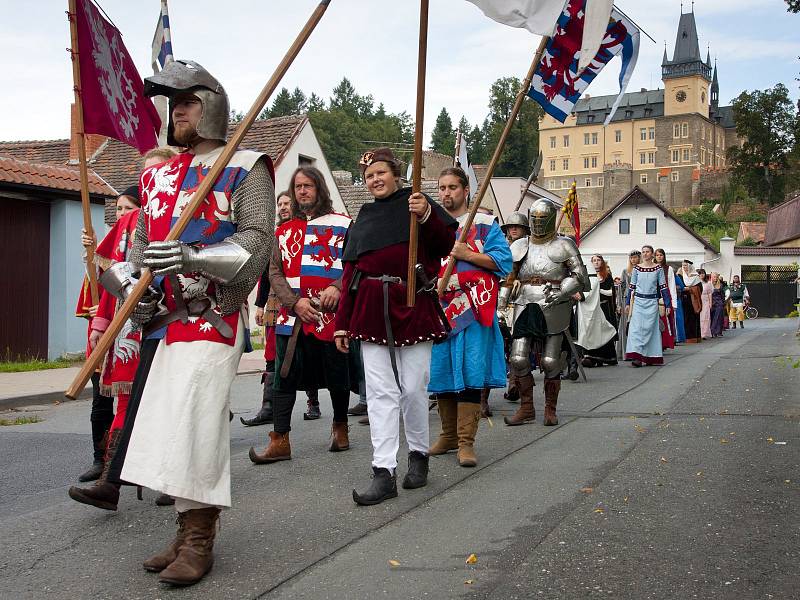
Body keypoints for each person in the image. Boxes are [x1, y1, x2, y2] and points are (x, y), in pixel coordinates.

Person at [104, 60, 274, 586]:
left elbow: (256, 242)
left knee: (197, 424)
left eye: (187, 101)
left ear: (212, 107)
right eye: (172, 104)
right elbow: (138, 250)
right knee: (166, 426)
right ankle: (183, 530)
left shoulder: (245, 165)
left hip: (211, 315)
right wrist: (138, 292)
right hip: (163, 320)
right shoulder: (154, 173)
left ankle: (201, 538)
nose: (176, 111)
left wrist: (193, 259)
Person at [335, 147, 456, 505]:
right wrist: (342, 323)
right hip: (372, 309)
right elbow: (350, 274)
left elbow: (446, 243)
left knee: (414, 389)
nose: (374, 179)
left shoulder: (417, 206)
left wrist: (427, 215)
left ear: (396, 174)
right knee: (380, 394)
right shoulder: (363, 218)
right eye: (369, 175)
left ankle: (419, 456)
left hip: (412, 304)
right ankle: (382, 472)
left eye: (380, 173)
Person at [249, 167, 353, 464]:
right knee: (283, 376)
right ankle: (280, 440)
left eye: (308, 185)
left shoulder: (344, 225)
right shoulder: (282, 231)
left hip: (330, 317)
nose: (302, 191)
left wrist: (336, 286)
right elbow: (275, 273)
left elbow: (354, 265)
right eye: (297, 187)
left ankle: (340, 427)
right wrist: (294, 303)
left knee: (337, 374)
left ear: (319, 188)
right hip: (291, 316)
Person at [428, 167, 511, 467]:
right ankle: (448, 435)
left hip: (474, 311)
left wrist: (467, 254)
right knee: (443, 373)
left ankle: (466, 443)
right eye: (442, 187)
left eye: (452, 187)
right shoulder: (432, 226)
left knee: (471, 374)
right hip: (441, 311)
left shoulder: (485, 223)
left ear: (466, 191)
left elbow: (503, 263)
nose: (446, 193)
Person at [71, 187, 141, 487]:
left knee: (135, 402)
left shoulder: (142, 233)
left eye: (127, 208)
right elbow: (98, 289)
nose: (121, 214)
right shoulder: (114, 244)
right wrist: (94, 254)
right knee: (101, 400)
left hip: (133, 328)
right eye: (118, 209)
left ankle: (131, 463)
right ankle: (102, 460)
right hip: (107, 332)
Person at [499, 199, 589, 426]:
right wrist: (501, 304)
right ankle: (527, 407)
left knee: (550, 361)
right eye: (535, 220)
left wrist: (562, 292)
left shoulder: (565, 245)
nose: (538, 224)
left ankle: (550, 409)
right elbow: (509, 278)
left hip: (553, 302)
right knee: (517, 358)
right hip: (525, 300)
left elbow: (580, 277)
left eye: (542, 220)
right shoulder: (519, 245)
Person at [240, 190, 292, 428]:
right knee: (271, 354)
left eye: (287, 203)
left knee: (305, 351)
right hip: (274, 299)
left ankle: (314, 403)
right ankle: (269, 407)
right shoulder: (273, 236)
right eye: (279, 203)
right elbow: (264, 272)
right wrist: (260, 305)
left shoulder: (305, 229)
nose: (282, 207)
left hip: (300, 297)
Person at [625, 245, 671, 367]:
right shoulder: (637, 269)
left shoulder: (658, 269)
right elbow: (631, 287)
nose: (645, 254)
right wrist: (628, 303)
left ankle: (650, 357)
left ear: (652, 254)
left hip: (652, 302)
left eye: (647, 252)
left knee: (650, 330)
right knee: (636, 330)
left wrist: (668, 304)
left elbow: (663, 287)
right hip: (639, 301)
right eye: (643, 252)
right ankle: (637, 357)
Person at [576, 254, 618, 367]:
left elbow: (610, 292)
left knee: (602, 330)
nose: (596, 262)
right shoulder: (589, 277)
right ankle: (590, 357)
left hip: (603, 307)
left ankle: (607, 357)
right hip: (590, 308)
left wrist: (597, 290)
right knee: (590, 330)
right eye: (594, 260)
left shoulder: (606, 276)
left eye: (598, 260)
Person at [654, 249, 677, 350]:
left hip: (665, 297)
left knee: (665, 321)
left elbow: (672, 286)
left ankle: (664, 343)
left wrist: (673, 303)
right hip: (654, 297)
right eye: (657, 255)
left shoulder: (669, 269)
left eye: (661, 255)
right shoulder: (652, 268)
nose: (659, 257)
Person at [677, 260, 702, 343]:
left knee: (694, 318)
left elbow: (700, 289)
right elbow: (678, 287)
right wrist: (683, 289)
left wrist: (691, 289)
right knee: (686, 318)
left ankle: (695, 336)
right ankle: (687, 337)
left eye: (686, 266)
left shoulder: (696, 276)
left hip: (693, 299)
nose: (685, 267)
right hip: (684, 299)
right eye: (683, 266)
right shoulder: (680, 276)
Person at [710, 272, 726, 337]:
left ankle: (717, 331)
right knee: (712, 317)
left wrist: (723, 303)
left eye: (716, 277)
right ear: (711, 277)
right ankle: (712, 331)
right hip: (711, 303)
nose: (715, 278)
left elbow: (723, 295)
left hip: (719, 303)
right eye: (714, 277)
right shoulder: (709, 284)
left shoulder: (721, 285)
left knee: (718, 317)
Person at [698, 268, 712, 339]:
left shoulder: (708, 283)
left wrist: (710, 303)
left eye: (703, 273)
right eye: (700, 273)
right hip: (698, 300)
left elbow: (710, 293)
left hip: (706, 300)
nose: (702, 275)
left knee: (705, 317)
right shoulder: (697, 282)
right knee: (700, 317)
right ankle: (699, 333)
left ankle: (704, 333)